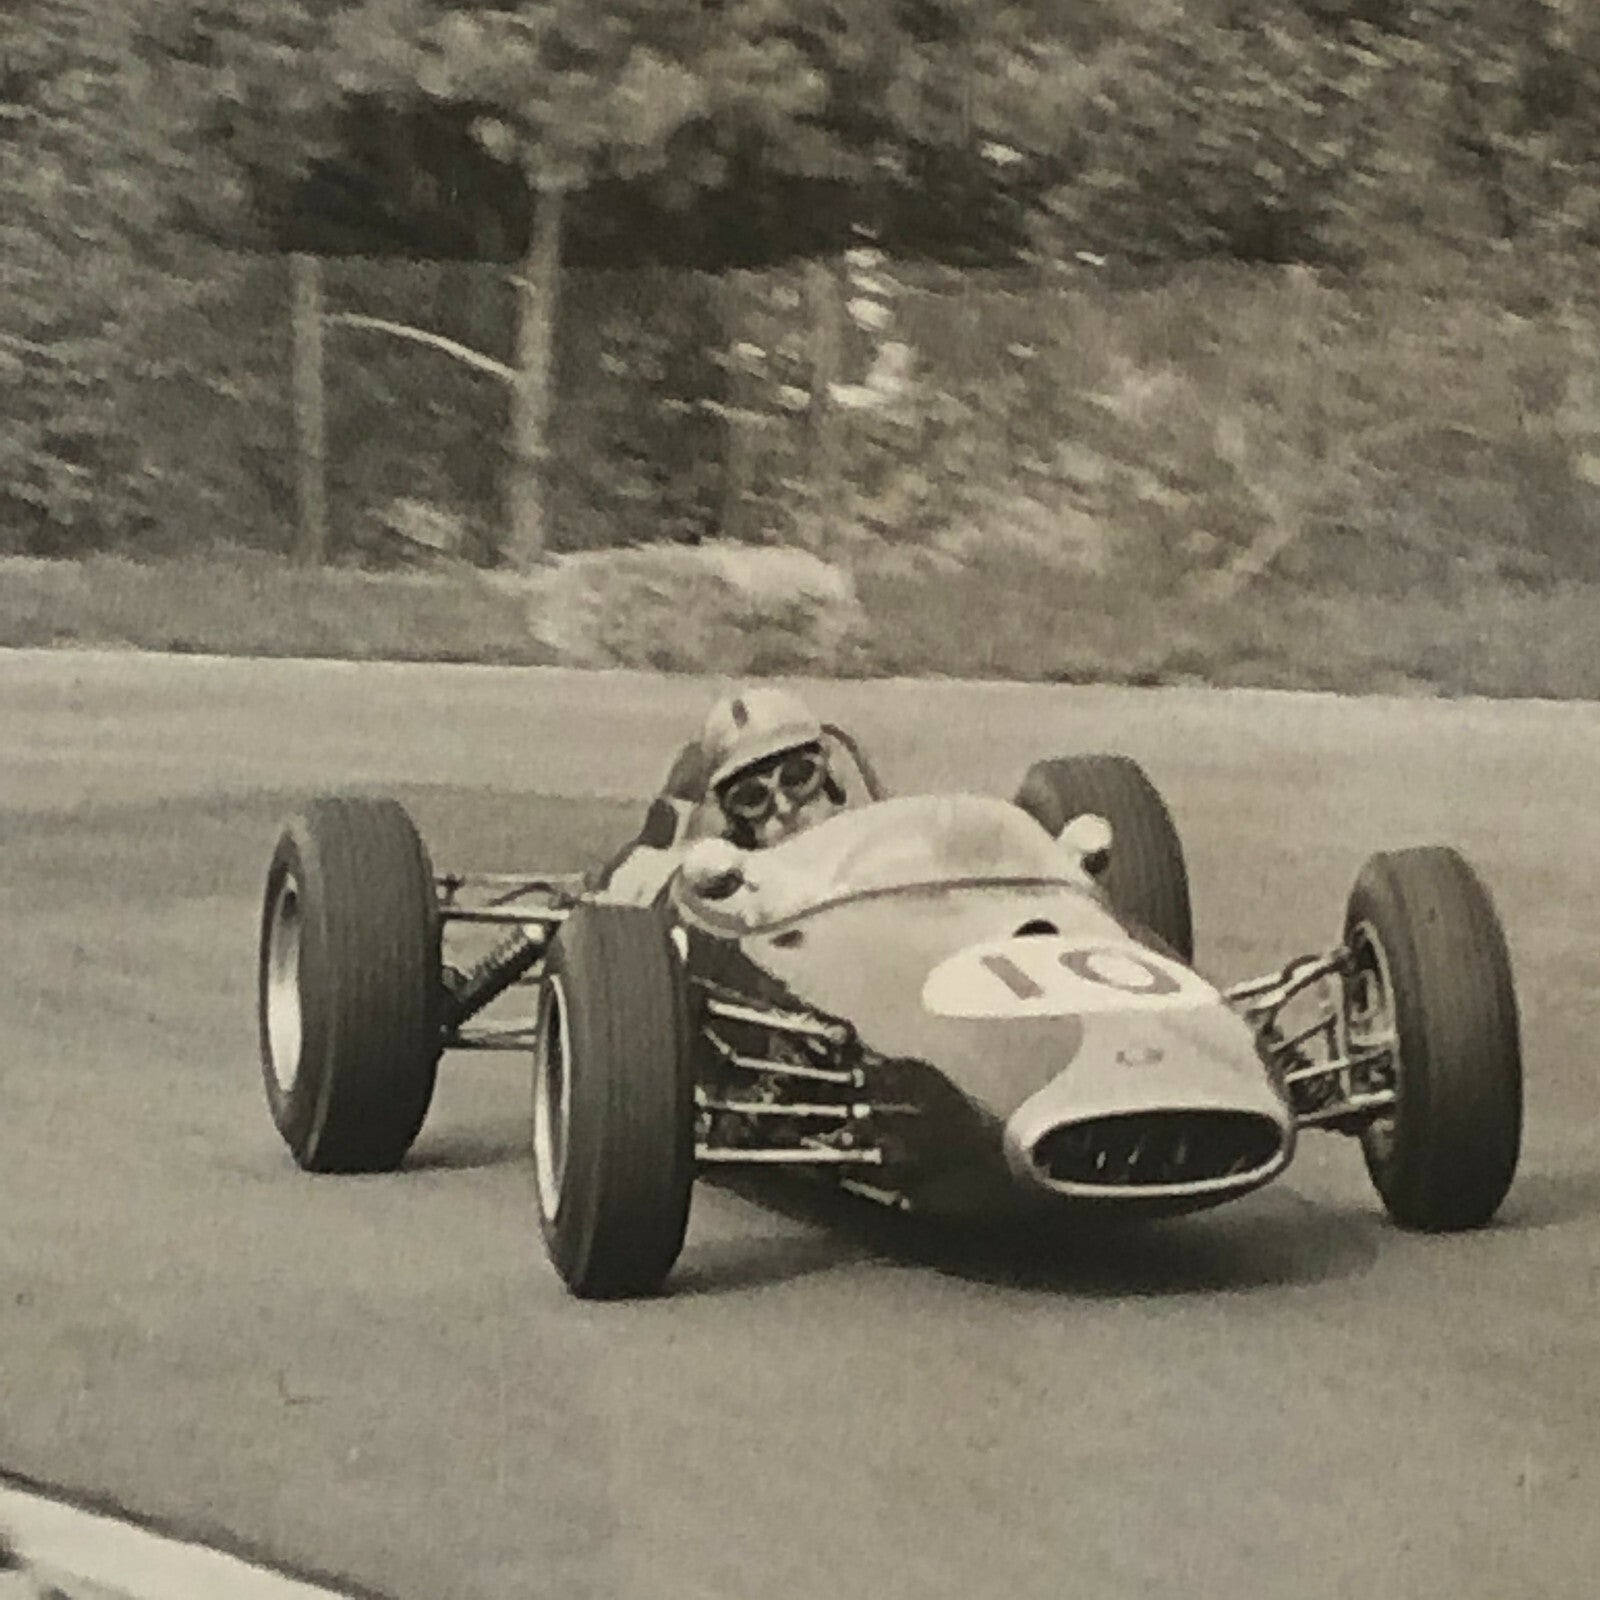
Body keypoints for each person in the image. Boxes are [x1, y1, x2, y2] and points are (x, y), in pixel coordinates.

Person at [593, 686, 847, 901]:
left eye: (799, 777)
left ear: (830, 776)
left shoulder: (871, 844)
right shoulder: (735, 880)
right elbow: (632, 876)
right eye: (752, 798)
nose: (783, 807)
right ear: (735, 819)